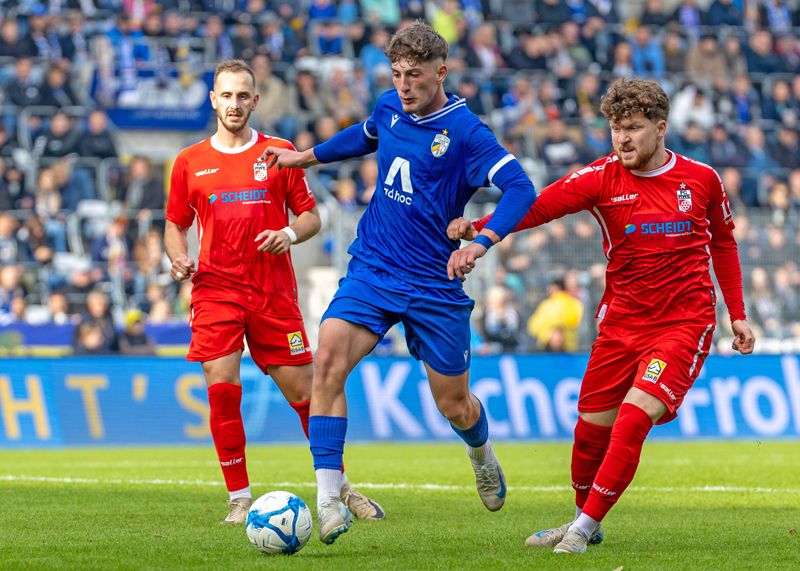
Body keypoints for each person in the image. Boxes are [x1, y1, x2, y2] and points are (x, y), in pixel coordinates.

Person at [447, 77, 755, 554]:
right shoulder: (602, 176)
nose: (622, 139)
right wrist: (482, 228)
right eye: (615, 129)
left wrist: (737, 313)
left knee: (632, 420)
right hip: (620, 324)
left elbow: (723, 243)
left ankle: (583, 529)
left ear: (660, 128)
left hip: (682, 323)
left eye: (632, 128)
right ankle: (583, 519)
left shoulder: (702, 179)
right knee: (590, 431)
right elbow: (538, 207)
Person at [260, 22, 537, 544]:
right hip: (375, 266)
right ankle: (328, 500)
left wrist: (480, 240)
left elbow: (521, 188)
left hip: (434, 282)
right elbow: (364, 136)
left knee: (454, 404)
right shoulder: (389, 106)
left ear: (441, 73)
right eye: (397, 74)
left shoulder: (467, 132)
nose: (404, 84)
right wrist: (304, 157)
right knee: (329, 358)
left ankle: (480, 451)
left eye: (414, 75)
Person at [164, 59, 383, 526]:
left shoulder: (279, 152)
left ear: (255, 101)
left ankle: (338, 486)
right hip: (216, 291)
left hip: (272, 293)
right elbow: (174, 225)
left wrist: (289, 233)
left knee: (307, 396)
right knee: (223, 390)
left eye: (243, 96)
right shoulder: (189, 161)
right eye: (226, 95)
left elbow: (311, 217)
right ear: (213, 100)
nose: (235, 104)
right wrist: (177, 256)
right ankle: (239, 497)